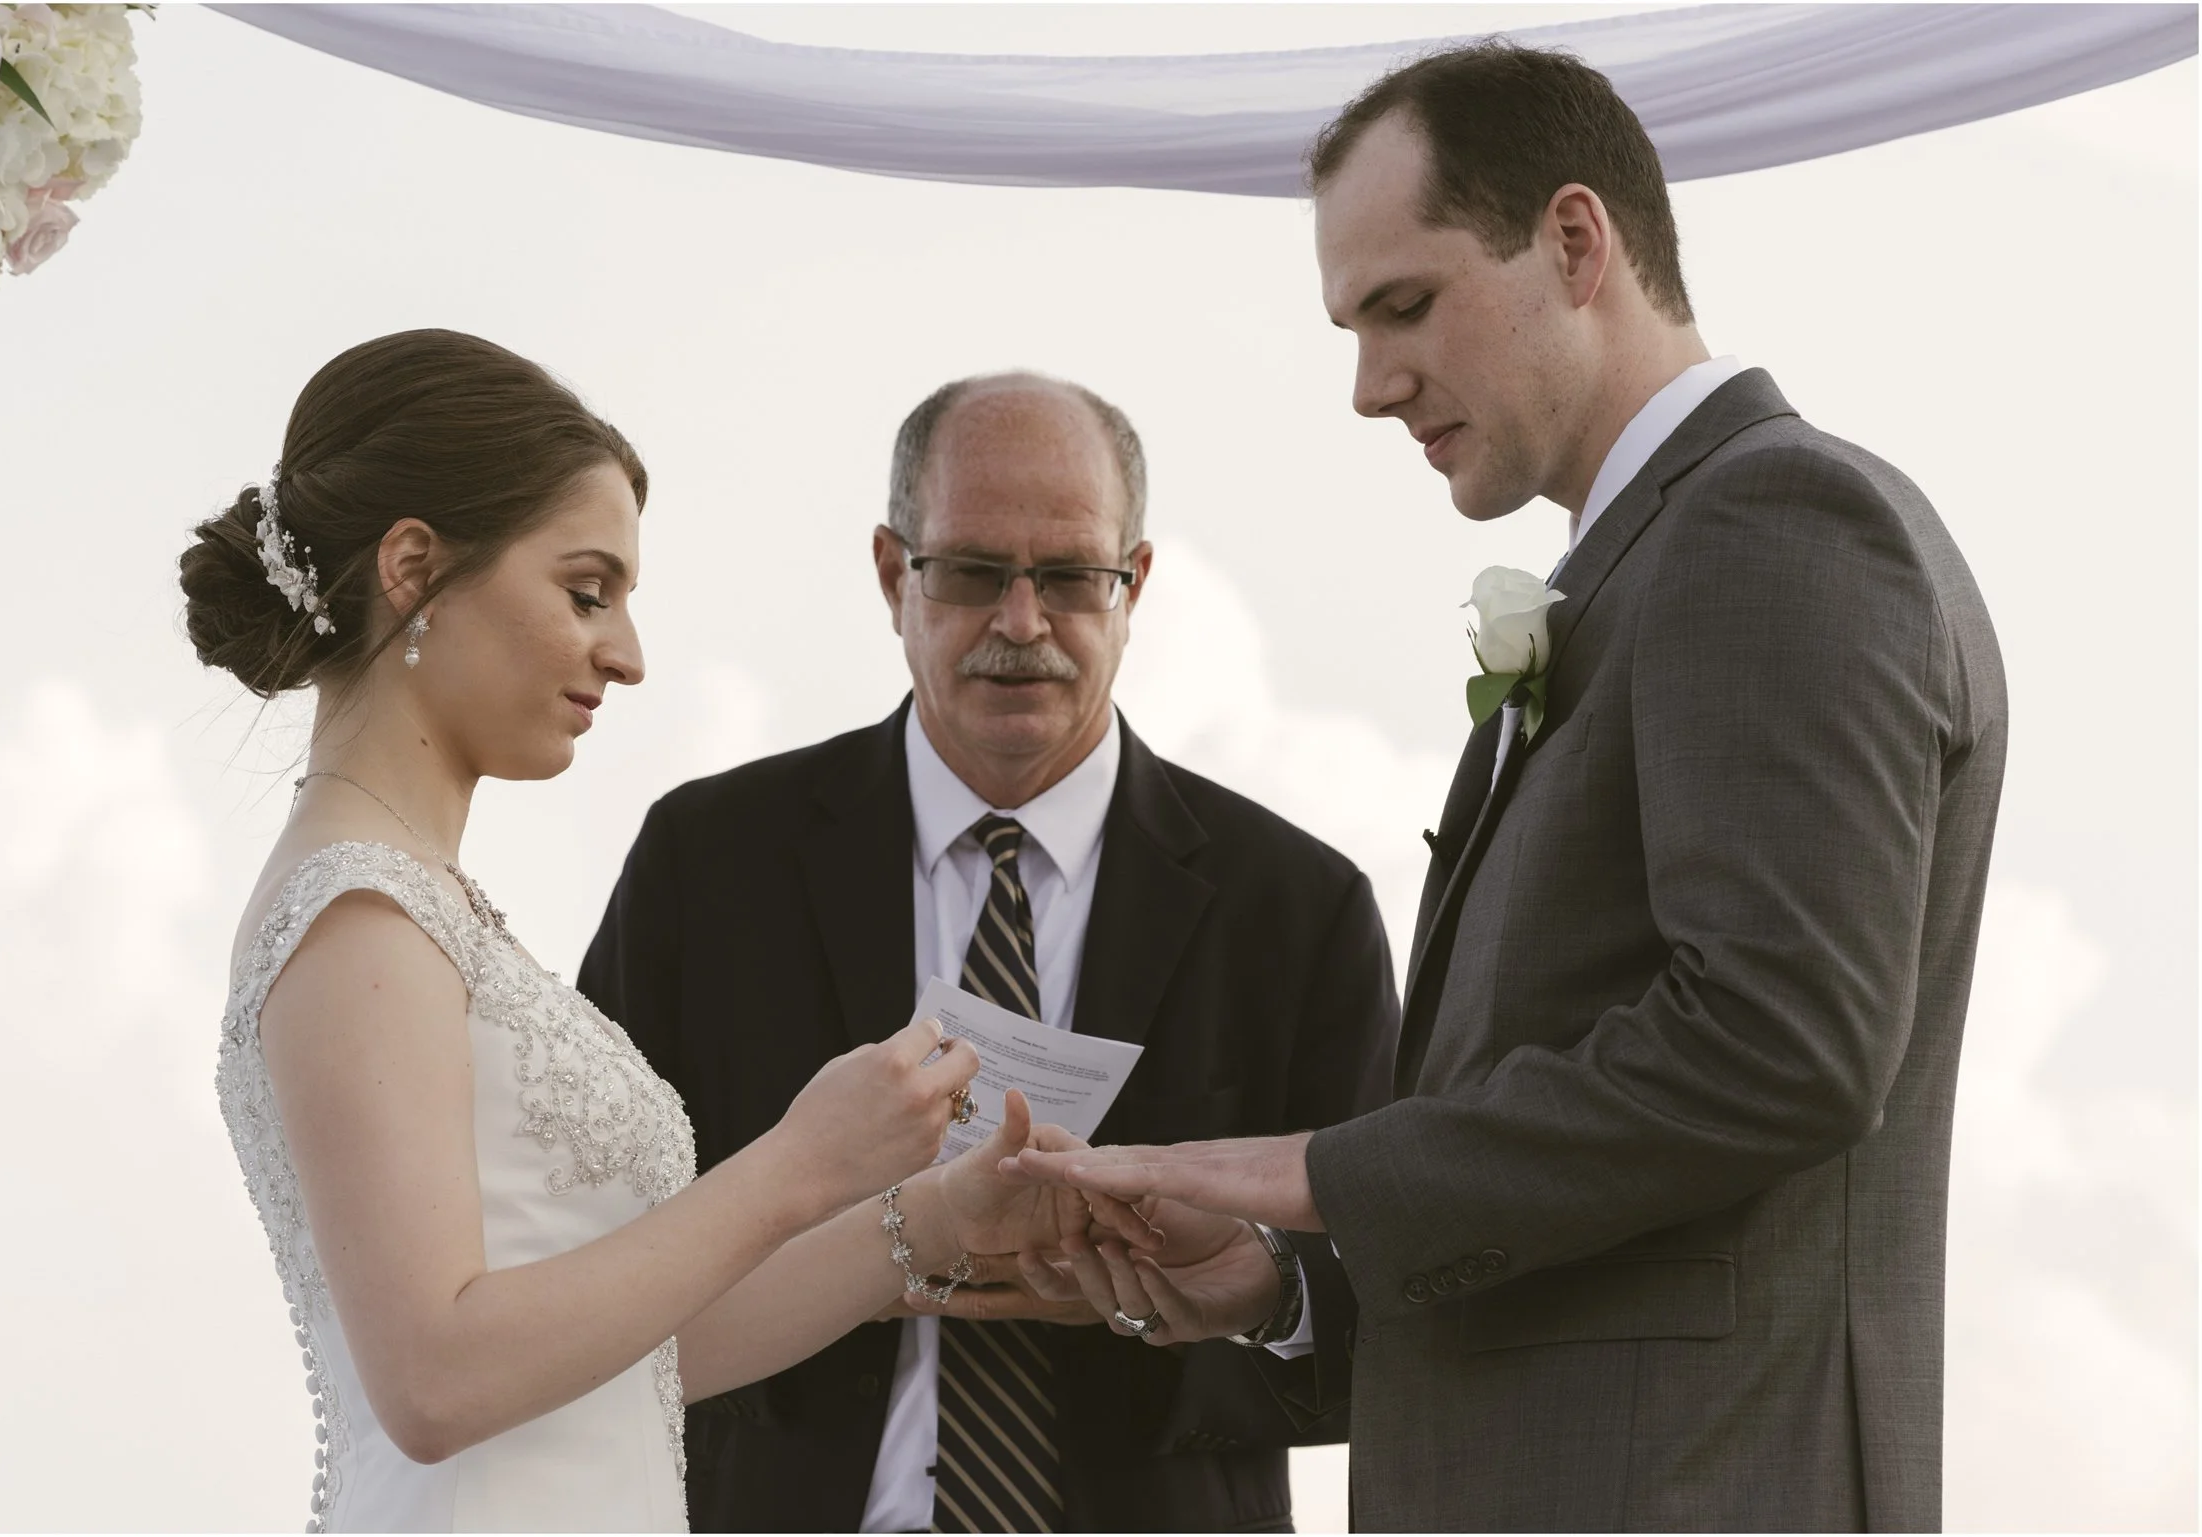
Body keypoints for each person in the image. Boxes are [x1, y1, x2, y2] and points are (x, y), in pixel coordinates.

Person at [1009, 42, 2009, 1533]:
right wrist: (1284, 1284)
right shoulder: (1648, 564)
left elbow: (1783, 1037)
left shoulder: (1775, 524)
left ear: (1576, 241)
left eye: (1405, 306)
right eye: (1351, 328)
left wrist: (1314, 1173)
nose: (1369, 386)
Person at [184, 330, 1149, 1533]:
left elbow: (638, 1354)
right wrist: (799, 1162)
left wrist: (930, 1221)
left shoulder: (421, 911)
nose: (627, 655)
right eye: (587, 592)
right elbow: (435, 1380)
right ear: (415, 568)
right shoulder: (360, 921)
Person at [579, 371, 1399, 1532]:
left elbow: (1389, 1315)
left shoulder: (1297, 910)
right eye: (970, 573)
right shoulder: (706, 862)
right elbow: (585, 1262)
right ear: (889, 574)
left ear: (1135, 586)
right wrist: (843, 1257)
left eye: (1068, 577)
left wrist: (1198, 1297)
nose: (1021, 624)